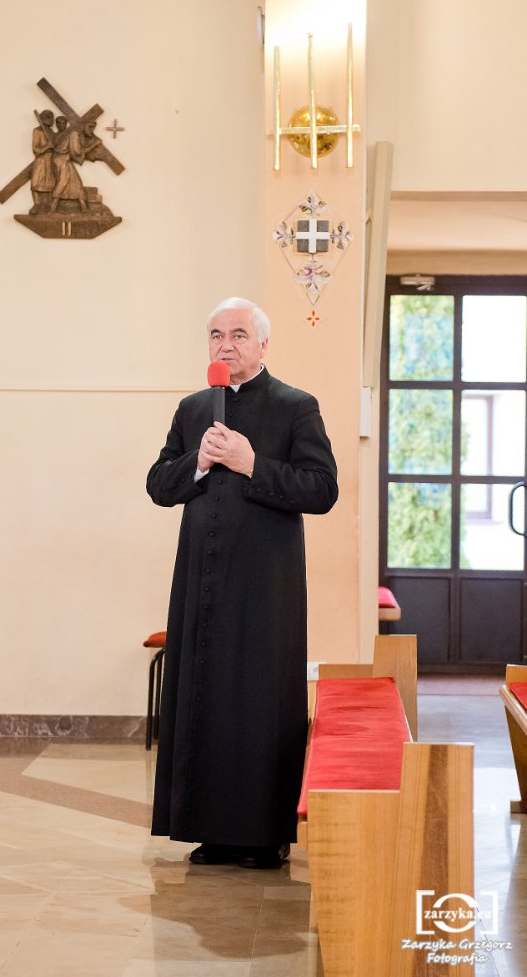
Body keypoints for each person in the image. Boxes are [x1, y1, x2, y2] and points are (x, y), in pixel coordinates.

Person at [146, 297, 338, 869]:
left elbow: (322, 489)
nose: (225, 344)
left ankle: (262, 836)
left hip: (264, 586)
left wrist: (252, 462)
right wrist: (199, 464)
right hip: (200, 581)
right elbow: (158, 484)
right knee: (202, 696)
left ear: (262, 344)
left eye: (237, 334)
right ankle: (207, 830)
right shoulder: (191, 409)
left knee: (257, 702)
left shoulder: (296, 405)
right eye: (215, 335)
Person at [29, 110, 56, 214]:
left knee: (50, 182)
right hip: (41, 160)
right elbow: (36, 150)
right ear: (44, 119)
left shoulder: (51, 133)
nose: (52, 120)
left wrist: (54, 147)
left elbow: (55, 147)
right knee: (36, 181)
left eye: (53, 118)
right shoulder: (37, 131)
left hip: (50, 159)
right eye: (50, 118)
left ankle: (48, 205)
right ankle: (36, 204)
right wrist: (47, 146)